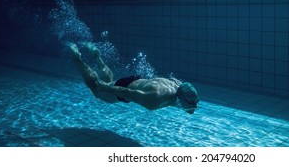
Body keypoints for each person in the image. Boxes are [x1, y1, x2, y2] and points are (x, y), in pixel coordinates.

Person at [69, 42, 199, 114]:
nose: (195, 106)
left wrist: (190, 105)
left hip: (139, 81)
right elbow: (127, 93)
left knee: (110, 79)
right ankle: (77, 58)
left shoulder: (178, 85)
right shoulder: (155, 100)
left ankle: (97, 56)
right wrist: (104, 86)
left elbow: (185, 104)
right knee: (97, 89)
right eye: (192, 103)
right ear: (181, 98)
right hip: (127, 88)